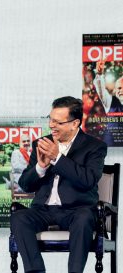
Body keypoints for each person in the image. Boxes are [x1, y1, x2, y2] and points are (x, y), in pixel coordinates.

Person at [10, 96, 107, 273]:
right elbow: (25, 184)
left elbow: (88, 180)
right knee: (19, 217)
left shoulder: (94, 147)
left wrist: (57, 158)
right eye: (51, 119)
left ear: (75, 123)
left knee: (85, 217)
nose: (52, 125)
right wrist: (40, 167)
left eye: (58, 122)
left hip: (76, 211)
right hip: (43, 211)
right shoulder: (41, 143)